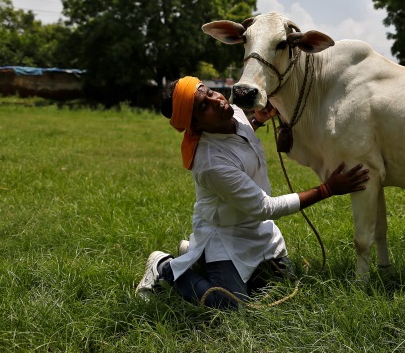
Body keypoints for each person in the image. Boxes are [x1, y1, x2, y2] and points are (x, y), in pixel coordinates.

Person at [136, 76, 369, 310]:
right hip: (225, 235)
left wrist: (257, 120)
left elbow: (239, 140)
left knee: (281, 280)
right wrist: (327, 189)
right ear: (195, 126)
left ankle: (197, 255)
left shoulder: (233, 112)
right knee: (230, 305)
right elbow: (264, 208)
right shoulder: (210, 163)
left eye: (209, 92)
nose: (216, 100)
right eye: (203, 106)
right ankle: (165, 267)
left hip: (255, 229)